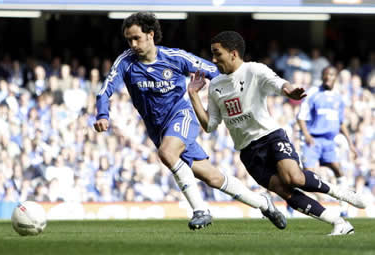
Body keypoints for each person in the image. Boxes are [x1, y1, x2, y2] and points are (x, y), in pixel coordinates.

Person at [94, 12, 286, 230]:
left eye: (136, 38)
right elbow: (105, 90)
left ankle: (200, 210)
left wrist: (235, 92)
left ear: (150, 35)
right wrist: (102, 114)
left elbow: (213, 70)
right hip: (158, 129)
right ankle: (264, 203)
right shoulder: (126, 62)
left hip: (181, 116)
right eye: (129, 39)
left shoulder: (175, 57)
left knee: (167, 153)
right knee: (213, 178)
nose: (132, 44)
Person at [188, 31, 367, 235]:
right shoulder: (215, 86)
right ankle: (339, 223)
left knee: (295, 178)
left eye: (217, 53)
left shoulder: (254, 70)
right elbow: (210, 125)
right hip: (248, 152)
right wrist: (193, 96)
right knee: (285, 191)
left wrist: (290, 91)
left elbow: (278, 83)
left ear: (233, 53)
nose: (213, 59)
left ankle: (341, 193)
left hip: (270, 137)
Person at [297, 66, 358, 215]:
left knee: (338, 170)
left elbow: (341, 122)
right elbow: (301, 117)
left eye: (331, 75)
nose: (328, 77)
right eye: (326, 74)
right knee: (306, 176)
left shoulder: (338, 98)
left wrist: (350, 143)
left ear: (335, 77)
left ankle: (344, 207)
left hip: (329, 142)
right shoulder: (313, 93)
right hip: (313, 141)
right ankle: (293, 205)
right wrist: (307, 136)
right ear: (323, 76)